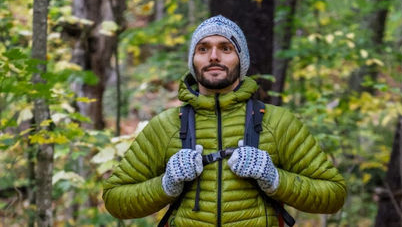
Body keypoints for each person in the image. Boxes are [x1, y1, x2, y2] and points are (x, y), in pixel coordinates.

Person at [103, 15, 347, 227]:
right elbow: (115, 199)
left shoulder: (278, 122)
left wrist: (274, 178)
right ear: (193, 60)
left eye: (226, 48)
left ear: (241, 60)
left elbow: (334, 195)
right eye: (203, 49)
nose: (214, 57)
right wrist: (165, 185)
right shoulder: (166, 126)